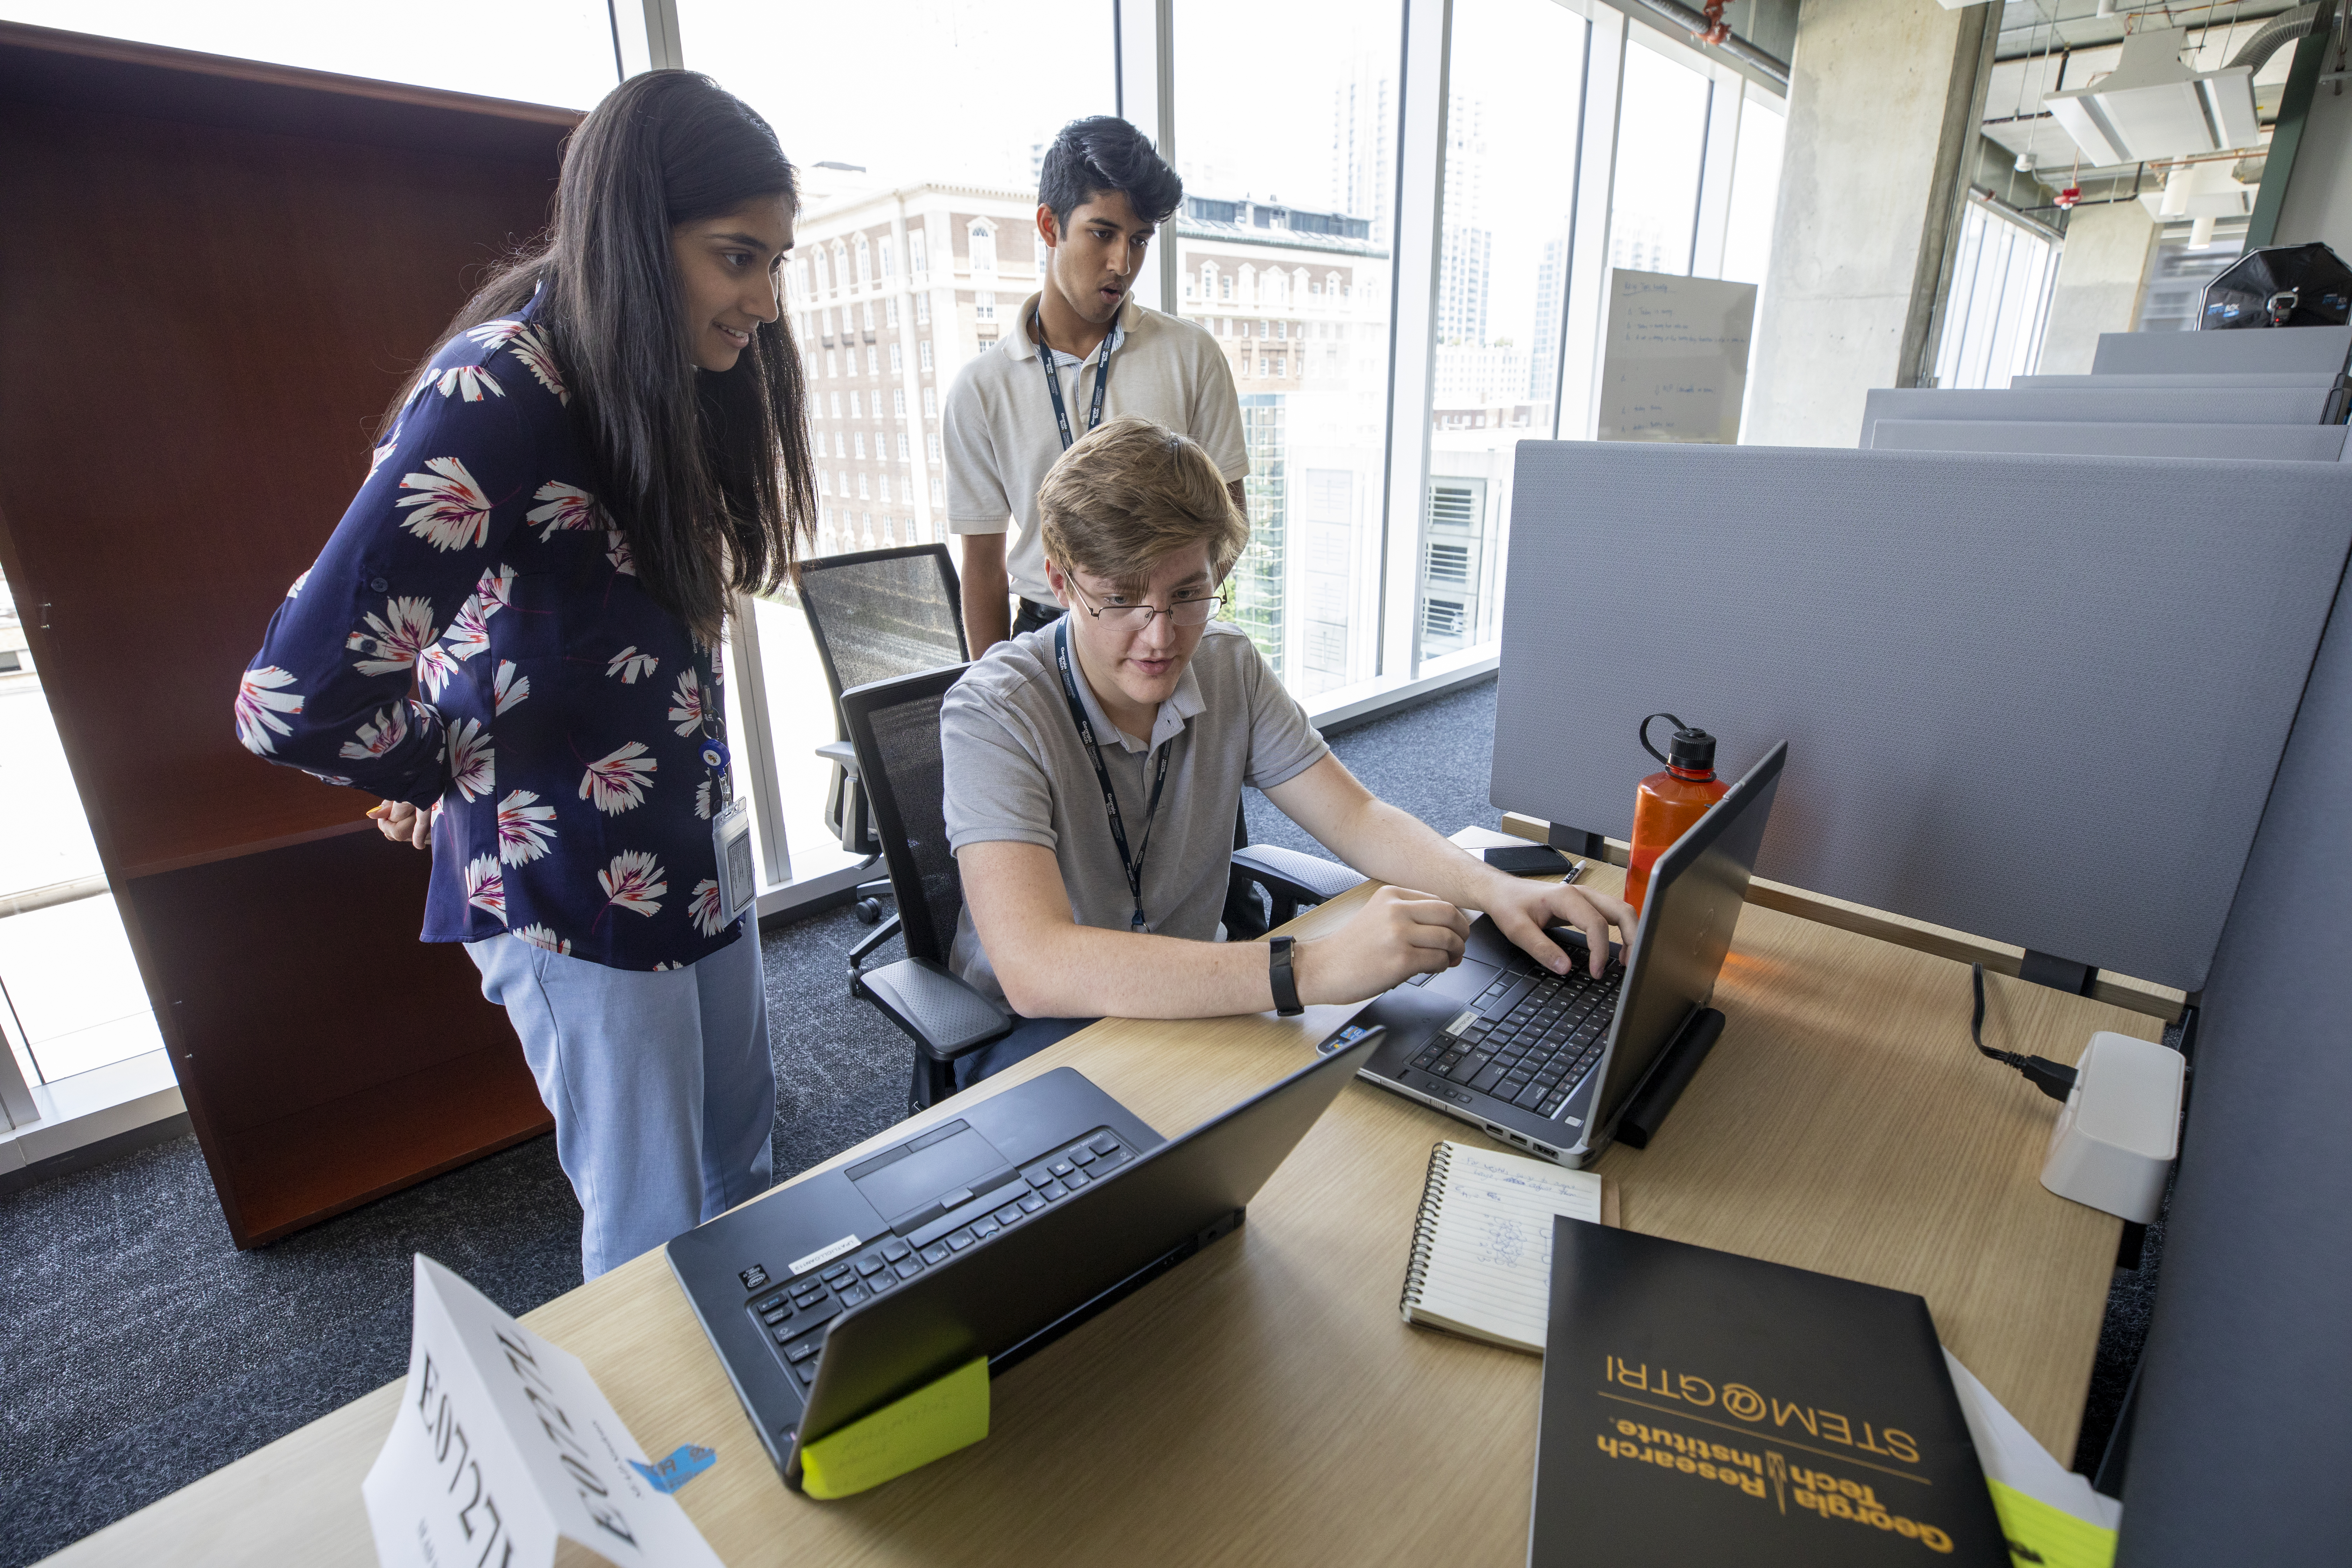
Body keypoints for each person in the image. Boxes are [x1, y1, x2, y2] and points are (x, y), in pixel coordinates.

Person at [232, 72, 816, 1279]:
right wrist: (434, 766)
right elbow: (290, 691)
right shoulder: (497, 389)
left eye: (775, 263)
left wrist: (445, 739)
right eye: (737, 258)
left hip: (696, 840)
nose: (764, 298)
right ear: (635, 238)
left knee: (742, 1171)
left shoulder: (662, 384)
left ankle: (762, 1412)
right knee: (655, 1227)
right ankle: (666, 1464)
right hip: (574, 888)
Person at [941, 417, 1636, 1081]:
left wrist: (1498, 888)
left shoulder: (1225, 663)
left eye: (1188, 594)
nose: (1160, 638)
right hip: (1040, 1030)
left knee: (1362, 1111)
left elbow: (1357, 817)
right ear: (1061, 583)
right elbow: (1037, 967)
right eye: (1121, 600)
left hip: (1195, 997)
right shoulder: (995, 711)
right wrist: (1308, 967)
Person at [943, 115, 1247, 652]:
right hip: (1045, 629)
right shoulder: (980, 388)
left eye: (1140, 240)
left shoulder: (1191, 354)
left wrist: (1165, 611)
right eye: (1103, 233)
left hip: (1162, 625)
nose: (1122, 263)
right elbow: (983, 568)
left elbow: (1231, 518)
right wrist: (987, 689)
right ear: (1049, 225)